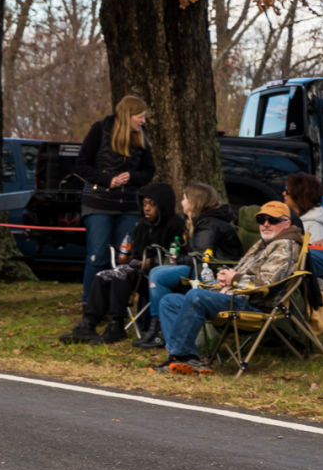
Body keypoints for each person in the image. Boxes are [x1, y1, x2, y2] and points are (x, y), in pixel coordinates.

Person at [150, 199, 304, 374]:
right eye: (262, 220)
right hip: (233, 296)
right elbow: (245, 274)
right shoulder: (265, 243)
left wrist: (235, 279)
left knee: (196, 297)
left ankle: (182, 356)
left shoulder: (285, 245)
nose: (266, 224)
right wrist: (224, 278)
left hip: (253, 304)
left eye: (273, 220)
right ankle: (184, 358)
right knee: (169, 301)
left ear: (287, 223)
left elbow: (269, 284)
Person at [60, 183, 180, 345]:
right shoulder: (142, 225)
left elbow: (176, 255)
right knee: (102, 275)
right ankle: (88, 323)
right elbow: (134, 252)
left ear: (163, 205)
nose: (147, 209)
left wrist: (150, 262)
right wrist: (128, 256)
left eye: (152, 205)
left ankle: (117, 324)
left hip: (158, 276)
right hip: (137, 270)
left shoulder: (175, 225)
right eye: (144, 204)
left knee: (121, 274)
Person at [134, 182, 241, 348]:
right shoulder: (202, 220)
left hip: (213, 272)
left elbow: (202, 257)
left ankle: (161, 329)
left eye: (184, 199)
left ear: (194, 202)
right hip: (201, 267)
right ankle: (158, 328)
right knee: (158, 272)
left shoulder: (209, 224)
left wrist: (179, 260)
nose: (182, 203)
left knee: (158, 275)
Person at [77, 94, 154, 306]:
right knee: (98, 255)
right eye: (140, 116)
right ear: (128, 115)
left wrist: (133, 177)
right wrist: (106, 180)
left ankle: (117, 303)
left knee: (124, 257)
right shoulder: (99, 130)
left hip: (128, 206)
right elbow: (81, 165)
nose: (143, 121)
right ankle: (90, 303)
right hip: (98, 203)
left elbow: (149, 170)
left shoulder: (141, 137)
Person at [283, 172, 323, 277]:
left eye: (287, 191)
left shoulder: (315, 225)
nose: (283, 193)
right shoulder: (299, 218)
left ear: (299, 195)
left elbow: (312, 265)